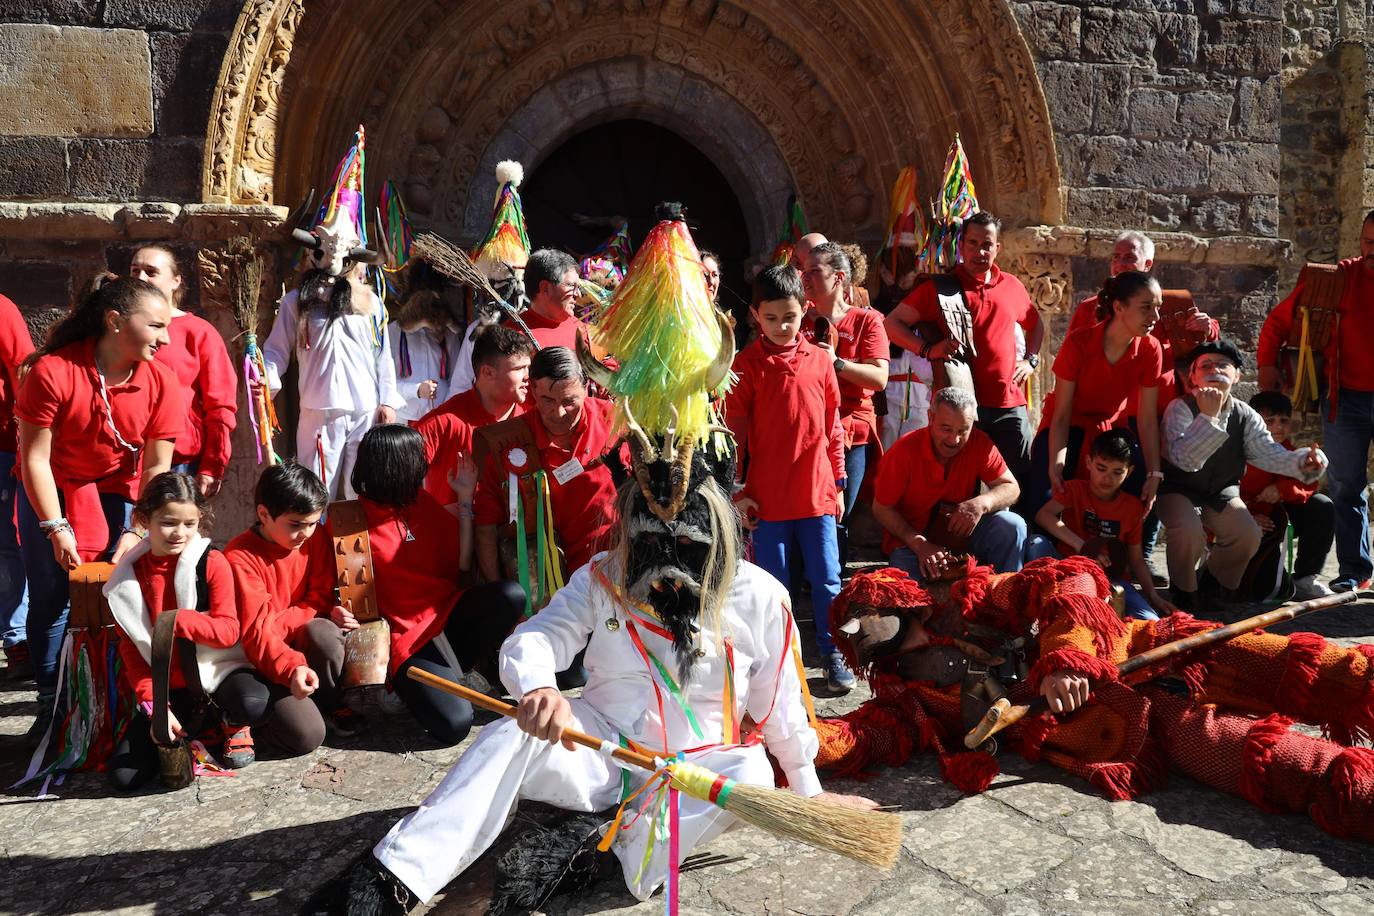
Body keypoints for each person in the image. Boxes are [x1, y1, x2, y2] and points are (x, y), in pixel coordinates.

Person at [311, 222, 873, 914]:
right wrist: (540, 687)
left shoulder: (759, 596)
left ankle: (591, 855)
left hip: (698, 768)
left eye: (685, 534)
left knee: (753, 771)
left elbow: (783, 707)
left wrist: (812, 798)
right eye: (653, 528)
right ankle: (390, 880)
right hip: (601, 746)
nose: (667, 547)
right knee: (506, 733)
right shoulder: (605, 575)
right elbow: (534, 639)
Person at [819, 560, 1374, 844]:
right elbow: (853, 739)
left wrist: (1066, 656)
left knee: (1314, 667)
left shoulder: (974, 598)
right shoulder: (906, 701)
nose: (899, 640)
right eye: (874, 638)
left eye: (891, 621)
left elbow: (1071, 577)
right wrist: (772, 740)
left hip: (1157, 649)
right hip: (1132, 731)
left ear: (912, 604)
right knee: (1287, 765)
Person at [16, 276, 183, 733]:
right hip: (49, 490)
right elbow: (34, 458)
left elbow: (156, 471)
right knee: (51, 596)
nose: (166, 338)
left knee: (117, 591)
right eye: (155, 326)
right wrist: (55, 526)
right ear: (114, 322)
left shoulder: (164, 383)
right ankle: (51, 705)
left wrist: (136, 529)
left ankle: (113, 699)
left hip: (117, 495)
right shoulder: (53, 371)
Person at [349, 425, 526, 745]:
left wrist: (463, 497)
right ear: (395, 467)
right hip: (407, 643)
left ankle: (464, 669)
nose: (424, 465)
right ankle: (415, 689)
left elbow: (460, 562)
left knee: (509, 595)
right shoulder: (351, 522)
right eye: (417, 459)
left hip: (446, 615)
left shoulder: (419, 502)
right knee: (455, 725)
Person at [727, 266, 851, 692]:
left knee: (828, 580)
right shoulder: (745, 366)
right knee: (773, 589)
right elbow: (734, 438)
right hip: (766, 501)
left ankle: (835, 654)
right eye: (771, 317)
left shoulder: (820, 360)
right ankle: (779, 664)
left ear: (805, 312)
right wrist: (739, 493)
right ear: (755, 316)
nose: (782, 326)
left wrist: (838, 481)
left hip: (816, 494)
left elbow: (833, 426)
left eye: (791, 317)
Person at [103, 472, 255, 790]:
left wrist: (177, 620)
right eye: (168, 522)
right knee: (123, 777)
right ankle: (196, 729)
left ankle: (229, 721)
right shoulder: (124, 581)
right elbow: (133, 653)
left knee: (252, 701)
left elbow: (228, 631)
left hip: (214, 674)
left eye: (190, 523)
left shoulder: (211, 562)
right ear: (143, 519)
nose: (180, 533)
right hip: (167, 688)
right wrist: (156, 708)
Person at [1158, 340, 1328, 609]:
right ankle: (1185, 592)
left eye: (1223, 364)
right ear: (1193, 376)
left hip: (1221, 491)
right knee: (1189, 530)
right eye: (1206, 365)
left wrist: (1304, 461)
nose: (1215, 369)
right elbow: (1184, 461)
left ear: (1236, 375)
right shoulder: (1179, 407)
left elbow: (1268, 453)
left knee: (1247, 532)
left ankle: (1216, 585)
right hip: (1178, 489)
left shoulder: (1245, 414)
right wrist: (1208, 417)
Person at [1257, 212, 1374, 591]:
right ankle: (1355, 572)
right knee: (1345, 486)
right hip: (1345, 400)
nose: (1372, 250)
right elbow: (1278, 321)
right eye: (1368, 241)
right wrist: (1266, 368)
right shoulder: (1336, 280)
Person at [883, 211, 1044, 486]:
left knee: (1022, 483)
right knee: (959, 486)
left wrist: (1031, 360)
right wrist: (927, 349)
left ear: (997, 248)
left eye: (987, 244)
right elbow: (892, 323)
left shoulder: (1012, 286)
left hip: (1009, 404)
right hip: (961, 409)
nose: (980, 251)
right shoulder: (940, 288)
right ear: (961, 245)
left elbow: (1035, 323)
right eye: (973, 243)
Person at [224, 462, 353, 752]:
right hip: (259, 659)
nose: (306, 533)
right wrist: (292, 664)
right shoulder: (238, 555)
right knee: (306, 737)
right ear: (263, 514)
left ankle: (329, 703)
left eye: (312, 523)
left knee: (324, 632)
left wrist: (284, 621)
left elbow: (319, 596)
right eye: (295, 524)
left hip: (290, 646)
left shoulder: (314, 537)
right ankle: (241, 718)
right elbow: (256, 634)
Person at [472, 346, 621, 589]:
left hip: (619, 570)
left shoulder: (615, 421)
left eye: (569, 401)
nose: (559, 412)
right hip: (552, 589)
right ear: (532, 391)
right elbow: (486, 523)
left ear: (585, 389)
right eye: (547, 400)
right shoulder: (509, 443)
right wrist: (497, 590)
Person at [263, 261, 405, 500]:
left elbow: (383, 355)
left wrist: (388, 400)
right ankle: (316, 536)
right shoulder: (296, 302)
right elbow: (277, 350)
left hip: (365, 411)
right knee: (316, 490)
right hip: (319, 411)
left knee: (362, 491)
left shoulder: (370, 302)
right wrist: (265, 380)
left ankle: (357, 538)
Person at [1029, 271, 1164, 519]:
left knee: (1141, 491)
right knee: (1045, 495)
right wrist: (1056, 464)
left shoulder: (1151, 348)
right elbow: (1062, 414)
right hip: (1066, 427)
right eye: (1147, 308)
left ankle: (1133, 554)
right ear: (1119, 307)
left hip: (1111, 430)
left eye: (1158, 308)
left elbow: (1146, 420)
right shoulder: (1079, 342)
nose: (1155, 317)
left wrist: (1155, 473)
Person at [872, 386, 1025, 579]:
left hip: (962, 539)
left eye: (963, 430)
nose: (954, 439)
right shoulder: (904, 451)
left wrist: (981, 503)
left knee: (1012, 525)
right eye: (946, 429)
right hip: (911, 544)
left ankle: (1007, 591)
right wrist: (920, 544)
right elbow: (881, 508)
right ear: (930, 418)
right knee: (905, 590)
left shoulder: (979, 443)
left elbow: (1012, 488)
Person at [802, 242, 889, 564]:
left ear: (838, 277)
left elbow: (879, 377)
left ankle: (829, 583)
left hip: (851, 430)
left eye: (814, 271)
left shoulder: (866, 321)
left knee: (837, 509)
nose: (805, 278)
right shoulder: (798, 321)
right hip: (807, 431)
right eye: (803, 271)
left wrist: (836, 363)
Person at [1032, 430, 1178, 620]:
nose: (1107, 479)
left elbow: (1136, 558)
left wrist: (1152, 595)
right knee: (1035, 543)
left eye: (1117, 472)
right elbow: (1043, 516)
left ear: (1129, 471)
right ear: (1088, 463)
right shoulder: (1075, 489)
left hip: (1110, 579)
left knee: (1150, 620)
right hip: (1068, 569)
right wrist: (1081, 546)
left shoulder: (1132, 507)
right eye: (1101, 468)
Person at [130, 244, 237, 498]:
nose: (140, 278)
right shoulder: (120, 327)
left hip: (179, 462)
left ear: (175, 280)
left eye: (151, 271)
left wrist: (213, 463)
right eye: (134, 271)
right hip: (125, 460)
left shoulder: (199, 332)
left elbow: (220, 405)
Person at [413, 324, 533, 508]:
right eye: (518, 369)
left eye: (528, 368)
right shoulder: (444, 421)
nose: (527, 377)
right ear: (487, 372)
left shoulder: (532, 418)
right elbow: (394, 477)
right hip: (455, 535)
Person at [1243, 391, 1336, 599]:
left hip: (1278, 517)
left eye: (1284, 420)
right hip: (1247, 518)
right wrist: (1247, 515)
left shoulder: (1288, 449)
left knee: (1322, 506)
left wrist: (1282, 490)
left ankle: (1305, 577)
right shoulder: (1239, 450)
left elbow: (1308, 483)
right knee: (1266, 590)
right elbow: (1224, 493)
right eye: (1270, 421)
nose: (1278, 427)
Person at [0, 292, 32, 679]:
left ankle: (16, 639)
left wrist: (27, 444)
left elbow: (22, 369)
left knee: (7, 547)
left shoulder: (2, 307)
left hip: (1, 445)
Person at [388, 290, 462, 423]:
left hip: (441, 418)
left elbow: (458, 378)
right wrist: (415, 390)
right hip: (403, 418)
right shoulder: (392, 332)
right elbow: (384, 382)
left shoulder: (448, 334)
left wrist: (447, 411)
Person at [507, 249, 586, 351]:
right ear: (545, 288)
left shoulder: (580, 329)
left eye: (578, 287)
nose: (578, 294)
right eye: (571, 285)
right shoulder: (512, 338)